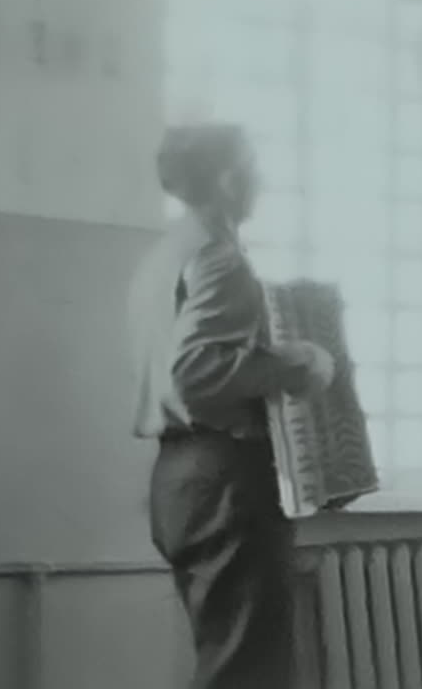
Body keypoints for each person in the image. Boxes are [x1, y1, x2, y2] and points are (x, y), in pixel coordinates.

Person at [126, 123, 335, 689]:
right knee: (250, 672)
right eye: (253, 165)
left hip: (178, 480)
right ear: (227, 177)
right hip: (223, 478)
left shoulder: (165, 255)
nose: (260, 179)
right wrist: (297, 365)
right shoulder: (219, 255)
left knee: (227, 662)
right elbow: (195, 374)